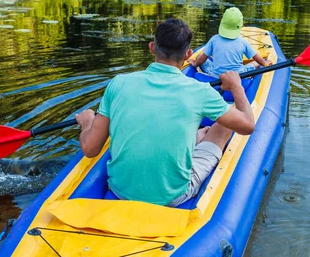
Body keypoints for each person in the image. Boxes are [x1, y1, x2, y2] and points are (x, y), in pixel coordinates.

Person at [75, 18, 255, 207]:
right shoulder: (201, 91)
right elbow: (247, 125)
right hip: (172, 196)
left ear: (152, 47)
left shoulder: (118, 83)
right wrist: (236, 87)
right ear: (188, 54)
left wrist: (88, 122)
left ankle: (197, 137)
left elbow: (90, 149)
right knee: (223, 126)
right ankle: (199, 136)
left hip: (121, 191)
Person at [187, 7, 271, 77]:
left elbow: (202, 59)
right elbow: (257, 58)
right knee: (255, 63)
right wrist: (265, 63)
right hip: (238, 76)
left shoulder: (214, 39)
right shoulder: (243, 42)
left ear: (222, 23)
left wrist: (195, 64)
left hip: (215, 75)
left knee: (199, 56)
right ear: (241, 25)